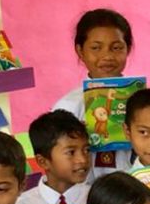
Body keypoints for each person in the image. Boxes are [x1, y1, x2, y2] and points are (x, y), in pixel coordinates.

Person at [52, 9, 133, 176]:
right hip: (85, 194)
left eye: (116, 47)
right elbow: (58, 163)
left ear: (128, 49)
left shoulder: (142, 101)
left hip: (137, 191)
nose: (107, 56)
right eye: (96, 48)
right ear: (80, 51)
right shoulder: (68, 107)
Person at [12, 110, 92, 204]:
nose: (83, 159)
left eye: (86, 150)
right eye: (71, 152)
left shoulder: (98, 200)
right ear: (43, 161)